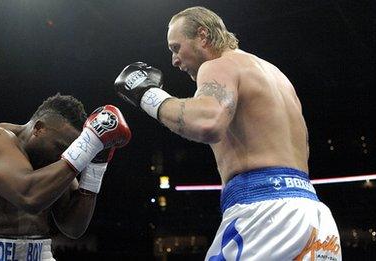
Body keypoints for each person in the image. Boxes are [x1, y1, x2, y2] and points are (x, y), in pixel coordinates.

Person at [114, 6, 341, 261]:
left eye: (176, 48)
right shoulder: (276, 76)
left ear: (202, 35)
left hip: (265, 215)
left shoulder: (218, 65)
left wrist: (147, 94)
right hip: (314, 217)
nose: (174, 61)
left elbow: (207, 121)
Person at [0, 93, 131, 261]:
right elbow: (29, 197)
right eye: (60, 147)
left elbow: (73, 227)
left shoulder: (54, 162)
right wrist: (89, 144)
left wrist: (96, 166)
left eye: (71, 151)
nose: (63, 156)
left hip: (40, 253)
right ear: (39, 128)